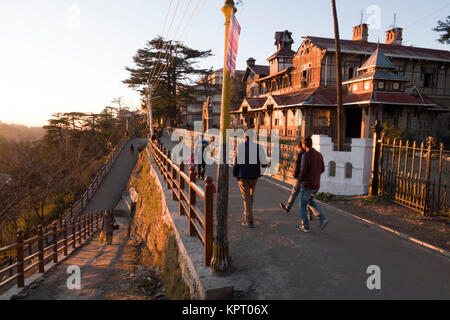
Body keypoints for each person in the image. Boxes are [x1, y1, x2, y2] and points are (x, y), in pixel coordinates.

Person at [233, 133, 267, 228]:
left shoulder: (240, 147)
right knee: (250, 196)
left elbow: (236, 161)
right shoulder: (258, 147)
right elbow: (264, 162)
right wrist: (261, 173)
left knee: (246, 197)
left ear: (245, 137)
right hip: (254, 177)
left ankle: (249, 220)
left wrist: (235, 173)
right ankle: (248, 215)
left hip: (243, 176)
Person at [297, 137, 328, 233]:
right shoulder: (319, 154)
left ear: (304, 145)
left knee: (302, 204)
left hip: (307, 185)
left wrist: (301, 180)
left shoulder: (306, 155)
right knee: (310, 202)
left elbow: (303, 171)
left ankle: (305, 225)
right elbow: (322, 169)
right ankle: (322, 219)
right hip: (316, 184)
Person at [279, 141, 314, 220]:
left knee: (294, 192)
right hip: (307, 178)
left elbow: (297, 166)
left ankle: (288, 207)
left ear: (299, 147)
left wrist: (294, 174)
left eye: (297, 148)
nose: (297, 150)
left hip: (300, 177)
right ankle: (310, 214)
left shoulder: (300, 154)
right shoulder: (308, 154)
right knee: (307, 196)